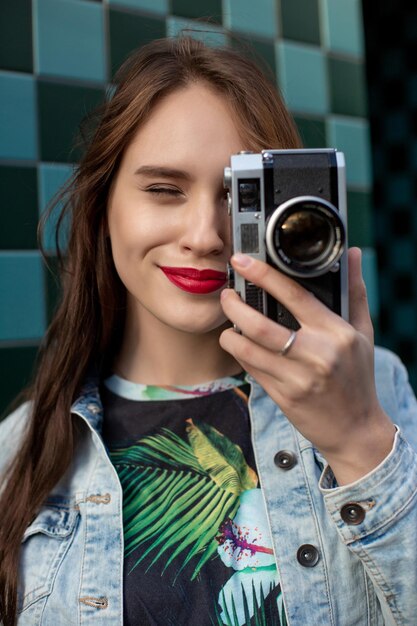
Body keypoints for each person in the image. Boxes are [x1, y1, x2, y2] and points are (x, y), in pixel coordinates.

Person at [0, 35, 416, 626]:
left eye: (238, 197)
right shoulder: (19, 451)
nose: (204, 234)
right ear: (104, 206)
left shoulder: (377, 391)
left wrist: (358, 443)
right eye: (164, 190)